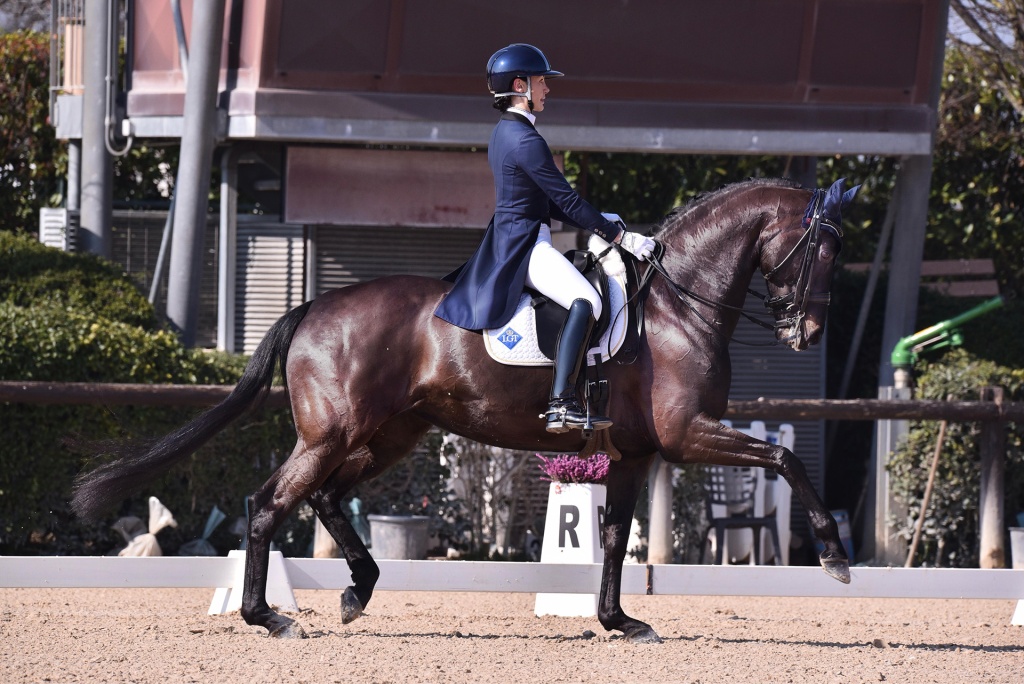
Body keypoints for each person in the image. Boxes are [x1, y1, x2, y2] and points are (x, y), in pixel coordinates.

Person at [434, 43, 655, 434]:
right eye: (541, 82)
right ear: (520, 85)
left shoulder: (508, 133)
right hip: (524, 245)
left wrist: (599, 218)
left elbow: (543, 202)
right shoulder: (524, 139)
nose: (547, 89)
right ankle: (561, 403)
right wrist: (621, 236)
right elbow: (566, 199)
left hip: (521, 234)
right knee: (587, 300)